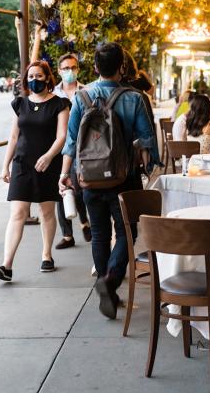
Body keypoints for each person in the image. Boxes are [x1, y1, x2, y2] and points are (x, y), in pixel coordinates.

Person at [59, 42, 158, 320]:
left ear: (94, 68)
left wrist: (65, 173)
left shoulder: (82, 96)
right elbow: (145, 140)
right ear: (122, 67)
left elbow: (72, 140)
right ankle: (111, 280)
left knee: (100, 234)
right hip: (123, 178)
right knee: (128, 233)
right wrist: (148, 165)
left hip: (89, 177)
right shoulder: (134, 98)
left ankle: (106, 285)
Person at [0, 61, 71, 282]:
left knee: (46, 212)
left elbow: (62, 136)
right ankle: (7, 265)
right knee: (17, 213)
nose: (34, 80)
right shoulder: (20, 104)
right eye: (31, 76)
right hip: (22, 164)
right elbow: (14, 137)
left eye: (39, 76)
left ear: (48, 78)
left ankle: (46, 254)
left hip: (47, 164)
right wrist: (5, 165)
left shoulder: (60, 104)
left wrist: (48, 156)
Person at [52, 53, 91, 249]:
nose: (70, 71)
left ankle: (85, 222)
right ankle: (67, 235)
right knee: (62, 189)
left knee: (80, 188)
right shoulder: (53, 93)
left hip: (82, 149)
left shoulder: (86, 92)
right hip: (59, 148)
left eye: (73, 68)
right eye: (66, 68)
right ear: (59, 71)